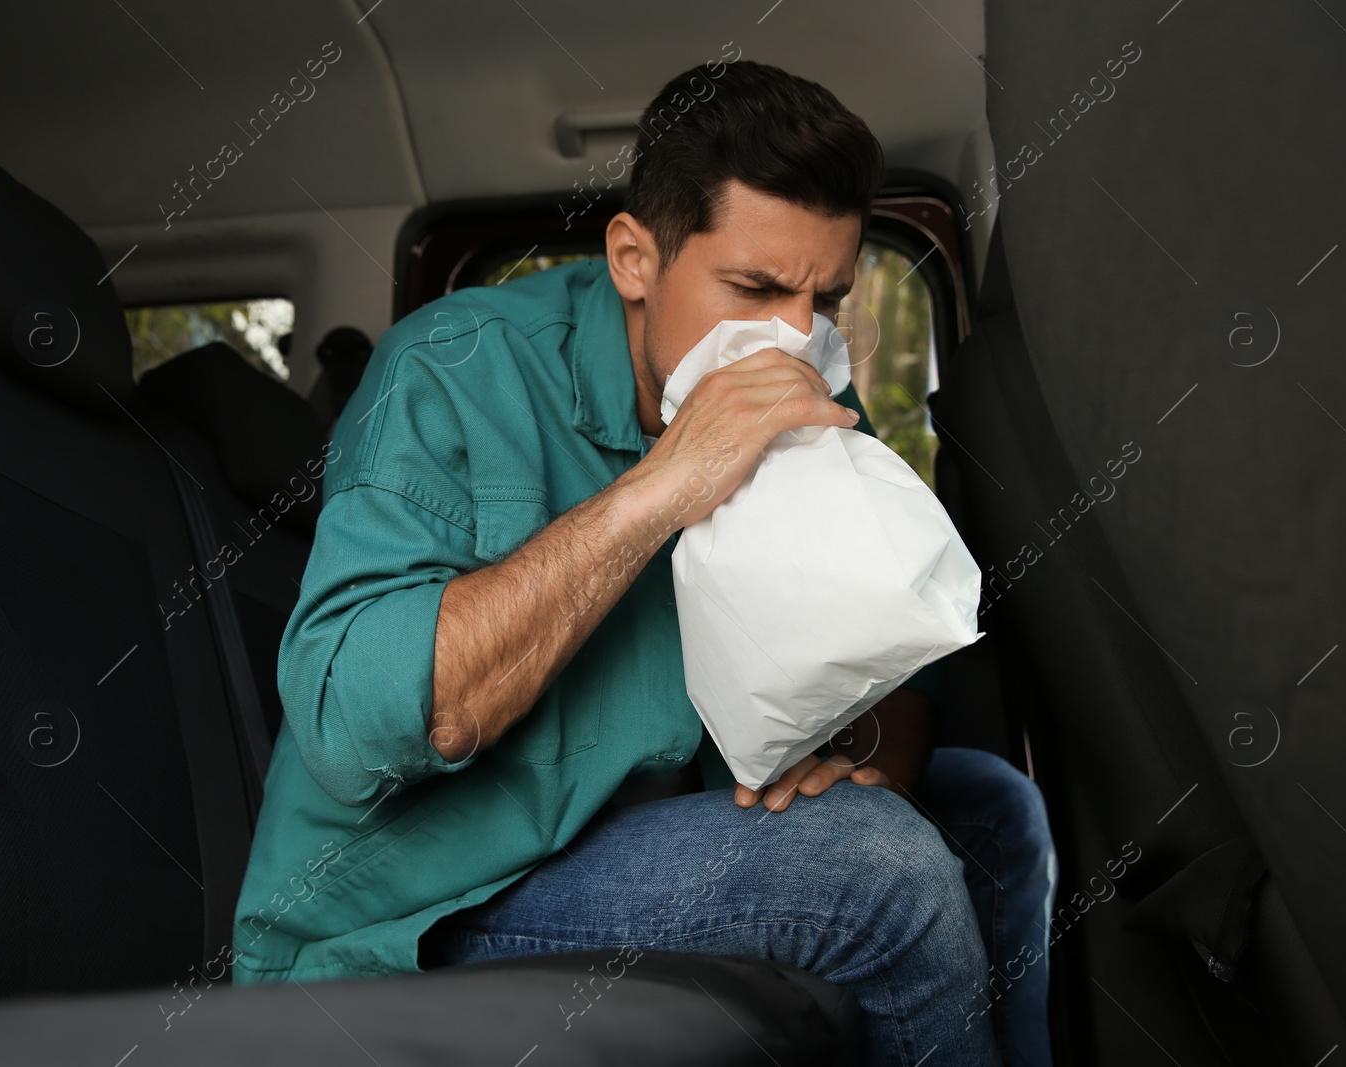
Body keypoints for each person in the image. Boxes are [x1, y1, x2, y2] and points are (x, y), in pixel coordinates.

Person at [233, 59, 1053, 1067]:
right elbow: (367, 728)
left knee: (988, 810)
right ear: (633, 257)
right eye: (752, 288)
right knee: (875, 869)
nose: (792, 337)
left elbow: (896, 679)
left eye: (823, 298)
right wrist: (668, 480)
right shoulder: (452, 370)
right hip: (433, 896)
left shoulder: (801, 384)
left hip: (673, 829)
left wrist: (872, 757)